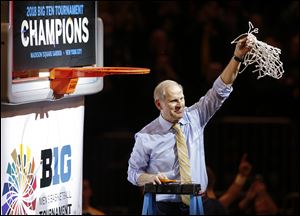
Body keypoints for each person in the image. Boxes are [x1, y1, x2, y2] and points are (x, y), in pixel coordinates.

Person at [127, 36, 252, 215]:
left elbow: (220, 90)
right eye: (173, 101)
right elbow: (133, 173)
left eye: (182, 98)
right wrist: (150, 177)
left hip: (199, 203)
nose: (180, 104)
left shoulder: (195, 116)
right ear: (159, 104)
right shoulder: (145, 136)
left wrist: (237, 57)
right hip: (166, 208)